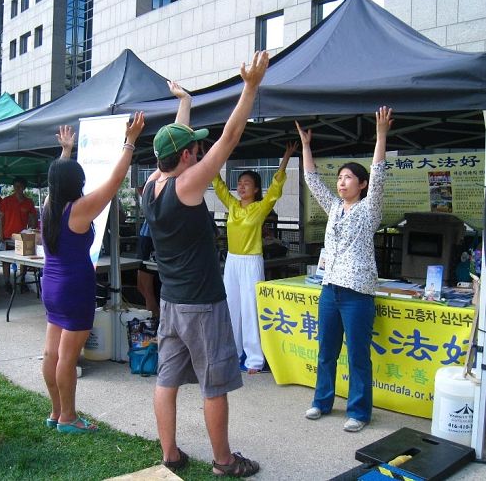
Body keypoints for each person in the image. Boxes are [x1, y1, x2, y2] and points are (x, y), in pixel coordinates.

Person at [142, 52, 268, 476]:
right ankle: (224, 461)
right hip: (202, 305)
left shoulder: (151, 185)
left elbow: (173, 143)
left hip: (173, 304)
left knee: (166, 380)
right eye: (194, 148)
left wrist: (185, 101)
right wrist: (250, 87)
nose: (199, 152)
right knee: (215, 385)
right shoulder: (187, 184)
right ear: (184, 158)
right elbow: (229, 139)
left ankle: (171, 455)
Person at [41, 112, 145, 433]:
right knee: (67, 358)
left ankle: (56, 412)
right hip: (74, 289)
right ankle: (69, 419)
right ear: (77, 184)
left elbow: (58, 179)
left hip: (52, 286)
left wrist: (66, 153)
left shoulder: (48, 206)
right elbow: (114, 183)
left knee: (51, 352)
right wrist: (129, 142)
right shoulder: (80, 209)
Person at [297, 106, 393, 433]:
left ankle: (359, 412)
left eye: (348, 177)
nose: (341, 182)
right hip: (330, 290)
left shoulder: (370, 209)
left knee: (358, 357)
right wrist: (307, 147)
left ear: (362, 184)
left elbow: (379, 173)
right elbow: (312, 180)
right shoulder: (335, 207)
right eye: (339, 177)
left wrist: (381, 136)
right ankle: (322, 402)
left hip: (357, 295)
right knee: (326, 351)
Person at [212, 142, 297, 373]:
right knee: (231, 307)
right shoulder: (232, 206)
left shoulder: (260, 208)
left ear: (256, 189)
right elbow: (217, 183)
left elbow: (276, 188)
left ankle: (254, 360)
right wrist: (210, 155)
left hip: (251, 262)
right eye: (239, 183)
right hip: (232, 261)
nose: (241, 187)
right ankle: (232, 352)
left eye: (246, 184)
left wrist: (286, 158)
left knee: (250, 309)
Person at [0, 176, 38, 293]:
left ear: (24, 187)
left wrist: (32, 229)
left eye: (20, 186)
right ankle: (7, 282)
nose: (17, 189)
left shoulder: (29, 202)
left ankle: (22, 281)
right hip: (7, 235)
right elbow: (1, 218)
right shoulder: (6, 200)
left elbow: (32, 218)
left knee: (24, 259)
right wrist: (0, 233)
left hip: (22, 236)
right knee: (6, 260)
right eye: (15, 186)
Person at [136, 217, 160, 322]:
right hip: (149, 234)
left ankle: (155, 320)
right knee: (144, 287)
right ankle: (154, 319)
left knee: (148, 289)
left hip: (154, 234)